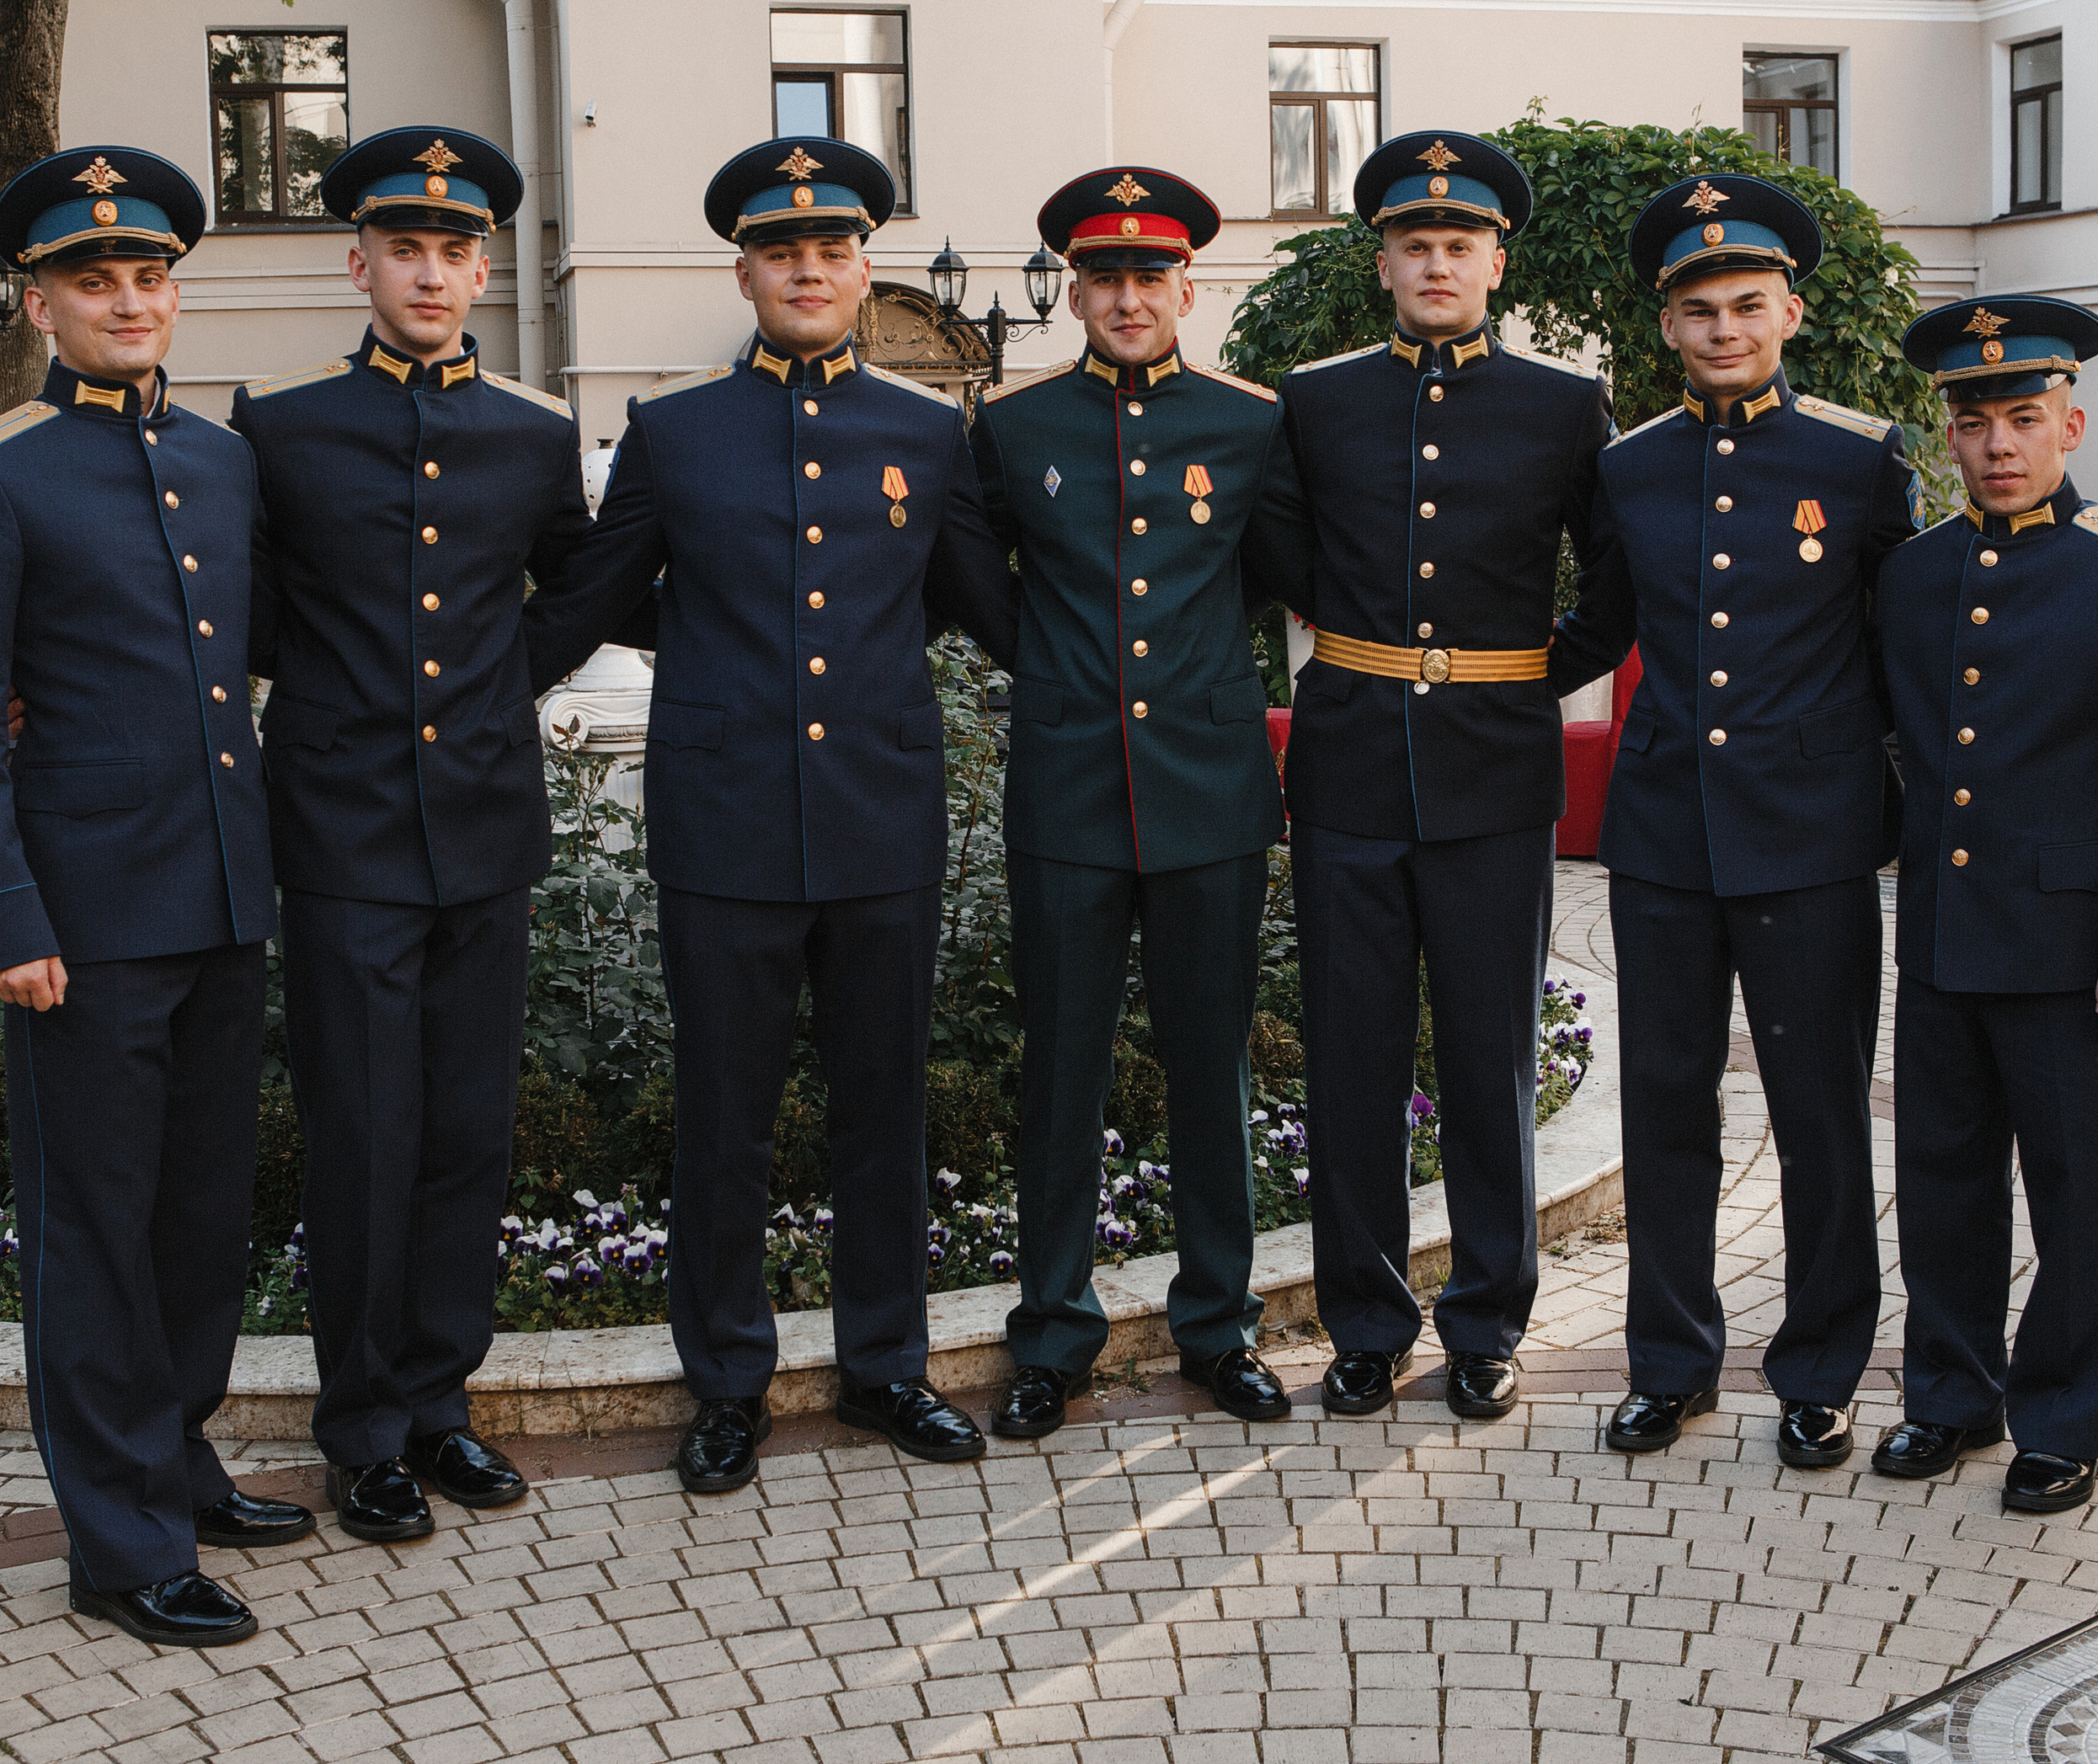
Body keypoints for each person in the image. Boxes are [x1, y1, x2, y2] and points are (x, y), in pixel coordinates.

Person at [522, 136, 1017, 1495]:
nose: (811, 269)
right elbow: (596, 599)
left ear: (865, 268)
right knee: (725, 1115)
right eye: (783, 251)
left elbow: (989, 602)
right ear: (743, 271)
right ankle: (728, 1380)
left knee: (881, 1107)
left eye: (836, 249)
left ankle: (884, 1368)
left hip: (878, 819)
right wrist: (440, 695)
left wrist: (1145, 678)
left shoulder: (927, 433)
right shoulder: (678, 434)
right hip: (726, 821)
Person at [232, 126, 595, 1542]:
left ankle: (442, 1404)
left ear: (482, 265)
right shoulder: (285, 428)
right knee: (362, 1134)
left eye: (455, 251)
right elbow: (250, 613)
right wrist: (333, 693)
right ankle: (362, 1428)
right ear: (360, 261)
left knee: (464, 1132)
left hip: (485, 828)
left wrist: (502, 680)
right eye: (406, 249)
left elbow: (576, 584)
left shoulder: (532, 430)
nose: (432, 272)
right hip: (341, 832)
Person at [0, 147, 312, 1647]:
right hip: (86, 925)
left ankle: (176, 1466)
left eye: (150, 277)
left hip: (220, 900)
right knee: (94, 1233)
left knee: (198, 1221)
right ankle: (117, 1546)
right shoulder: (7, 471)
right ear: (39, 301)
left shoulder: (224, 459)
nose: (130, 301)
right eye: (95, 281)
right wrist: (8, 916)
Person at [1279, 131, 1623, 1422]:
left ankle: (1487, 1320)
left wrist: (1535, 672)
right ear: (1383, 263)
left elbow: (1619, 567)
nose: (1437, 263)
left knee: (1489, 1063)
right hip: (1353, 769)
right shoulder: (1313, 401)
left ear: (1494, 261)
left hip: (1494, 776)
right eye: (1414, 244)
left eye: (1459, 245)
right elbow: (1281, 547)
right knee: (1353, 1063)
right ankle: (1365, 1323)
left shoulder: (1562, 403)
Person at [969, 167, 1314, 1436]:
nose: (1128, 296)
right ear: (1074, 290)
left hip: (1210, 791)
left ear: (1188, 288)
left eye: (1150, 276)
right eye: (1104, 276)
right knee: (1061, 1070)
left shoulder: (1251, 425)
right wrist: (1065, 670)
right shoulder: (1013, 430)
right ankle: (1051, 1333)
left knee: (1208, 1064)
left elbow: (1282, 571)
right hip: (1067, 790)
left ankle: (1218, 1325)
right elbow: (975, 574)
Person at [1590, 172, 1919, 1465]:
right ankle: (1670, 1363)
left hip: (1813, 831)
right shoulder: (1628, 466)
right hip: (1666, 832)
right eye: (1699, 312)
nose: (1724, 330)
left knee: (1821, 1110)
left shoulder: (1857, 456)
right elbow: (1597, 627)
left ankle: (1824, 1365)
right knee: (1667, 1103)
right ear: (1667, 327)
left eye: (1747, 305)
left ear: (1790, 311)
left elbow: (1909, 649)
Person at [1874, 296, 2098, 1515]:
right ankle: (1950, 1395)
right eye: (1973, 423)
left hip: (2071, 947)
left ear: (2071, 424)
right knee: (1940, 1181)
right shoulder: (1917, 573)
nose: (1996, 445)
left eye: (2022, 419)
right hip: (1942, 935)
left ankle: (2065, 1420)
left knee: (2078, 1198)